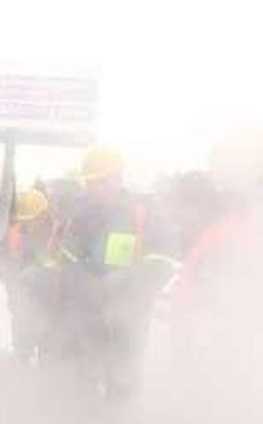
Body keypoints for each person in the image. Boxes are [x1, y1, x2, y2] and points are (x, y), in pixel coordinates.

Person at [52, 146, 178, 398]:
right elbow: (68, 265)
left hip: (128, 321)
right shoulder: (80, 217)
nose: (91, 189)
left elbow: (162, 262)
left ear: (116, 179)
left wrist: (123, 284)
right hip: (87, 319)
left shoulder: (144, 214)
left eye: (98, 182)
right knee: (82, 388)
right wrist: (85, 289)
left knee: (122, 388)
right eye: (89, 183)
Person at [0, 189, 57, 364]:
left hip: (50, 305)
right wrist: (11, 275)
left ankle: (46, 374)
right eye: (26, 221)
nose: (29, 226)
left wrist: (41, 273)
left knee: (49, 352)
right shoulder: (14, 233)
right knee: (21, 349)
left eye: (34, 220)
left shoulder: (57, 233)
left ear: (44, 215)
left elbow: (65, 267)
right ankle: (20, 371)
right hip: (21, 303)